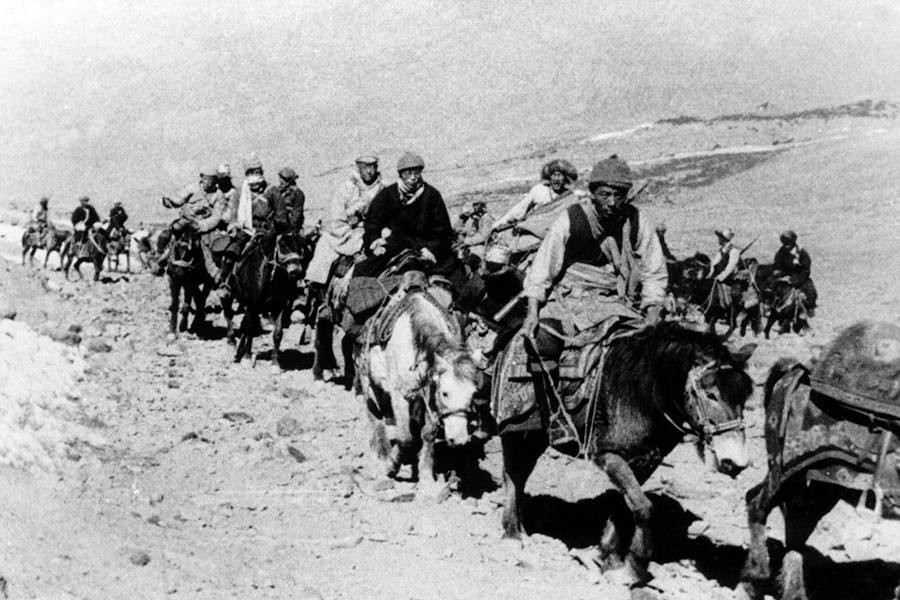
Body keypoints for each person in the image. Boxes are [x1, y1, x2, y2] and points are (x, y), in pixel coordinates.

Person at [521, 154, 667, 337]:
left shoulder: (636, 221)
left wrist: (652, 312)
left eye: (618, 195)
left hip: (616, 298)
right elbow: (543, 268)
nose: (612, 202)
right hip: (570, 296)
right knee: (544, 341)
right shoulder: (572, 219)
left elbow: (654, 270)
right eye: (605, 195)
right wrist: (532, 313)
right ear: (593, 194)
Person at [354, 152, 458, 285]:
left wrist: (432, 249)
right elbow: (372, 223)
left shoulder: (432, 195)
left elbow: (443, 230)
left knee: (455, 277)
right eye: (408, 173)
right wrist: (375, 242)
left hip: (425, 244)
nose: (413, 178)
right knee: (363, 271)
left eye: (417, 173)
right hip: (397, 243)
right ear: (400, 174)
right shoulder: (388, 195)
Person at [306, 155, 384, 287]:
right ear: (358, 167)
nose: (369, 171)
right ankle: (313, 291)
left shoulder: (382, 189)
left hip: (372, 233)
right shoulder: (346, 188)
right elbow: (336, 217)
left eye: (372, 166)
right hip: (344, 234)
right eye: (365, 167)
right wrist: (349, 229)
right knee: (324, 250)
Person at [159, 166, 229, 278]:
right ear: (201, 178)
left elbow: (217, 216)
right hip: (188, 220)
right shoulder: (192, 188)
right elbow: (179, 200)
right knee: (174, 231)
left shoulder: (219, 195)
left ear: (216, 181)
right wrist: (170, 201)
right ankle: (163, 260)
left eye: (212, 180)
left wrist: (202, 225)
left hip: (205, 224)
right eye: (206, 179)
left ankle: (214, 272)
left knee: (211, 244)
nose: (208, 183)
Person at [490, 158, 582, 233]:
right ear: (549, 177)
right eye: (554, 175)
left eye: (560, 175)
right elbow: (519, 210)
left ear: (565, 178)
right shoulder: (539, 190)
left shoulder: (570, 197)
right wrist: (498, 224)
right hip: (533, 231)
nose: (556, 179)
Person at [773, 229, 817, 315]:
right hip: (785, 275)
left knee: (811, 292)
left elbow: (806, 270)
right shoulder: (782, 251)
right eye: (784, 243)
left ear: (793, 242)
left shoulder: (802, 253)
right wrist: (777, 271)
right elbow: (777, 263)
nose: (786, 245)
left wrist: (795, 280)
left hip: (799, 276)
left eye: (788, 243)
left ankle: (809, 309)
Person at [263, 167, 305, 236]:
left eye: (285, 179)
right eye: (281, 178)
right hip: (275, 224)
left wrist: (291, 229)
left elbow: (297, 213)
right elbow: (266, 206)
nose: (282, 181)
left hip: (289, 226)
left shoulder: (297, 193)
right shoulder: (274, 190)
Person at [453, 200, 494, 265]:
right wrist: (462, 218)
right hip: (473, 243)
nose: (474, 207)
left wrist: (466, 241)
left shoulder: (487, 218)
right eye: (474, 205)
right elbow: (466, 230)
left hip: (485, 246)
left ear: (482, 206)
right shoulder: (475, 218)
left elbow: (483, 236)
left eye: (477, 205)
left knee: (470, 258)